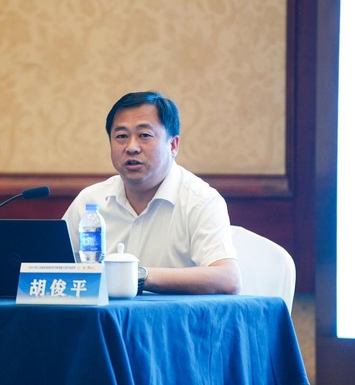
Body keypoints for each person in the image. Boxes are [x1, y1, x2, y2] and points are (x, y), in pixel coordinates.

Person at [63, 91, 241, 295]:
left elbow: (228, 278)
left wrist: (138, 275)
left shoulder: (200, 200)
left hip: (172, 316)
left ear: (173, 145)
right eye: (121, 136)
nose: (131, 147)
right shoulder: (89, 202)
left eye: (144, 135)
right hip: (104, 315)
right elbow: (50, 267)